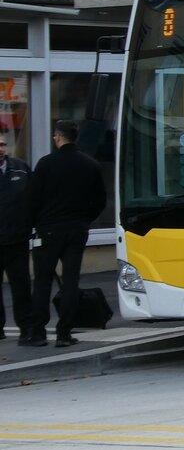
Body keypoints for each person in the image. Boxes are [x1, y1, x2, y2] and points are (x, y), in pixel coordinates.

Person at [24, 120, 106, 348]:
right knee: (71, 281)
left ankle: (38, 332)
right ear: (76, 138)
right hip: (76, 229)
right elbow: (100, 200)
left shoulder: (46, 164)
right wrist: (84, 219)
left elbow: (32, 199)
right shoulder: (90, 165)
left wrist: (34, 224)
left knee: (42, 280)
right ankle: (64, 333)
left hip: (48, 229)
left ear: (59, 137)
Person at [0, 135, 32, 343]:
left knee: (21, 287)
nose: (0, 149)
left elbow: (35, 197)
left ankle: (26, 328)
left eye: (2, 144)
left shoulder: (20, 169)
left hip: (17, 239)